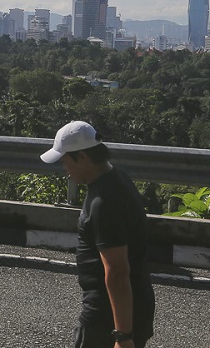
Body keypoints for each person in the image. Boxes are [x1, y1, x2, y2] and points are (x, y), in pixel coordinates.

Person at [40, 121, 155, 348]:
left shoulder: (104, 201)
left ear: (82, 157)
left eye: (65, 161)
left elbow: (118, 272)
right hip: (129, 308)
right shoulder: (118, 178)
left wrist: (122, 336)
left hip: (107, 318)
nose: (65, 169)